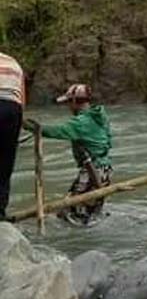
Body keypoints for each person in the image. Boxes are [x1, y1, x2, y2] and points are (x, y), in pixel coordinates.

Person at [35, 84, 113, 225]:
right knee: (90, 214)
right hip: (105, 170)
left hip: (92, 171)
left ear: (76, 102)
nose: (68, 107)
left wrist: (33, 127)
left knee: (73, 215)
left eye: (69, 103)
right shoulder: (100, 117)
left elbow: (58, 131)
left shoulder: (80, 123)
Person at [0, 52, 25, 221]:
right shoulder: (13, 62)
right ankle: (0, 211)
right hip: (13, 110)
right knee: (5, 163)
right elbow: (22, 98)